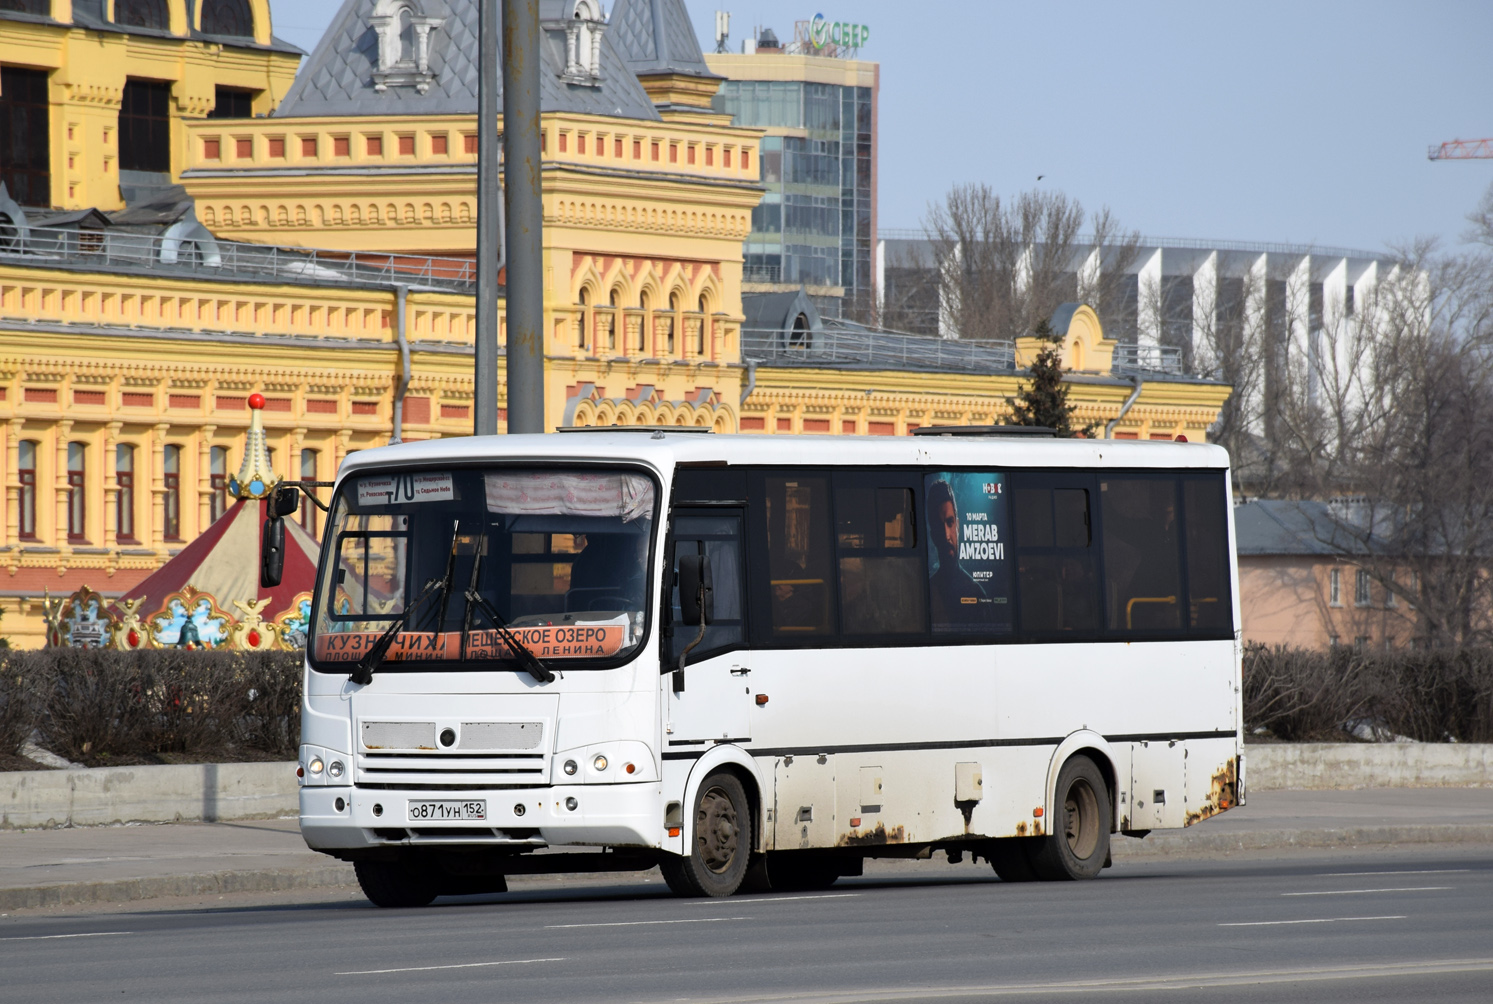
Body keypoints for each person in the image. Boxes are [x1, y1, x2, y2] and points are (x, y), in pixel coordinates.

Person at [926, 479, 988, 628]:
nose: (947, 535)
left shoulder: (977, 593)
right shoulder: (928, 592)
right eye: (940, 526)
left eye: (950, 522)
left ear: (958, 526)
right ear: (933, 535)